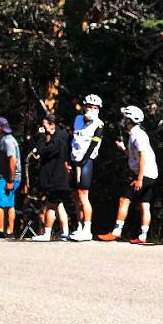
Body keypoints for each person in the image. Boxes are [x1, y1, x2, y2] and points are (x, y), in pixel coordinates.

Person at [97, 105, 156, 244]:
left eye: (125, 118)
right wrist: (124, 149)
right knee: (144, 204)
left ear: (130, 120)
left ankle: (116, 232)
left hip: (144, 174)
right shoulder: (135, 135)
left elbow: (143, 157)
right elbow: (134, 156)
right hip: (152, 174)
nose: (123, 120)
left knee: (124, 199)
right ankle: (143, 235)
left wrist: (140, 179)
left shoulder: (137, 136)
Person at [30, 113, 73, 241]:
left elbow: (46, 150)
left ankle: (47, 233)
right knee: (59, 205)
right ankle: (65, 232)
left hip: (57, 177)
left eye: (45, 126)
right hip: (52, 176)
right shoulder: (50, 137)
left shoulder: (60, 138)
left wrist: (46, 136)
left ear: (52, 125)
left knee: (50, 205)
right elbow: (37, 149)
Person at [68, 95, 105, 241]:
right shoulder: (77, 119)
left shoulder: (99, 124)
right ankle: (79, 225)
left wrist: (83, 161)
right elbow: (71, 138)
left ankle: (87, 228)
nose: (91, 110)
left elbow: (94, 144)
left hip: (86, 160)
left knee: (84, 195)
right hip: (73, 158)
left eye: (95, 108)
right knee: (75, 197)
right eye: (89, 107)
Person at [0, 117, 21, 238]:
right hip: (9, 178)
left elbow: (13, 160)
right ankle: (9, 231)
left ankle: (1, 229)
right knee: (9, 204)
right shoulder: (7, 140)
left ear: (0, 128)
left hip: (6, 178)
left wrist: (10, 180)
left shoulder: (7, 141)